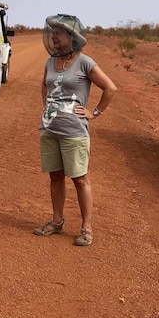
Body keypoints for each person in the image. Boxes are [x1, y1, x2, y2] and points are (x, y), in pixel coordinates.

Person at [34, 14, 117, 247]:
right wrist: (46, 107)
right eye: (52, 33)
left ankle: (86, 228)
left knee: (80, 179)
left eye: (58, 33)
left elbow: (110, 88)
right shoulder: (50, 62)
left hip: (74, 130)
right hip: (49, 128)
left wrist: (94, 112)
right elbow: (44, 84)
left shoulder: (85, 62)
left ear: (72, 37)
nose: (53, 37)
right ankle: (57, 222)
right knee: (55, 176)